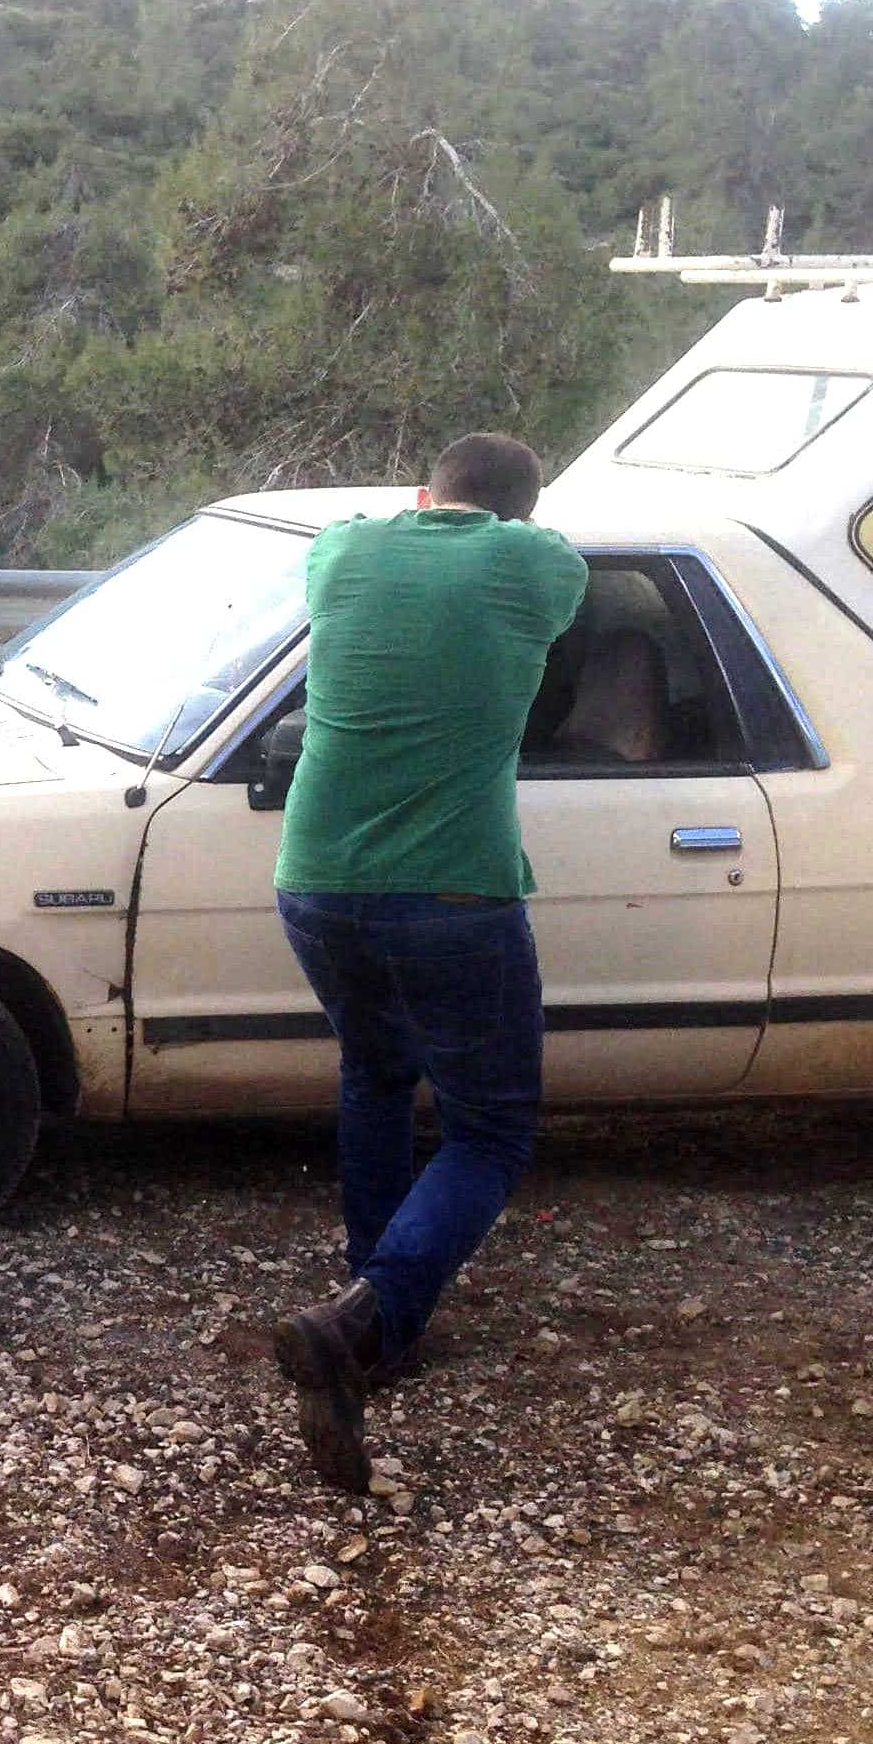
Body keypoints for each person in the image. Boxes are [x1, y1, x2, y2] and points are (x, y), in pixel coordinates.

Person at [267, 432, 588, 1494]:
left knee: (373, 1072)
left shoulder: (342, 554)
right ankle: (368, 1318)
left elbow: (366, 532)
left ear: (422, 494)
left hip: (314, 879)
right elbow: (542, 572)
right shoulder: (534, 564)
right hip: (452, 889)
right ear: (518, 513)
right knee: (489, 1128)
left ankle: (378, 1317)